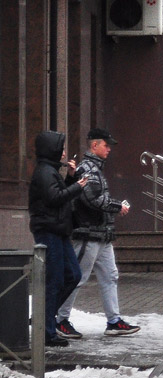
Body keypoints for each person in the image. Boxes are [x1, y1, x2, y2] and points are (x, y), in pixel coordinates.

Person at [56, 128, 139, 338]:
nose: (109, 149)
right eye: (106, 145)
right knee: (77, 277)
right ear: (95, 145)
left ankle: (114, 321)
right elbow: (91, 199)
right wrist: (117, 206)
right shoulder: (89, 169)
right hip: (89, 233)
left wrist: (113, 208)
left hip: (100, 234)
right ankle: (60, 319)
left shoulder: (93, 169)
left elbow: (93, 198)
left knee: (110, 276)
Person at [28, 130, 87, 348]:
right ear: (52, 149)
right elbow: (54, 198)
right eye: (61, 148)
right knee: (54, 281)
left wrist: (71, 178)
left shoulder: (51, 171)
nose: (64, 152)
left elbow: (57, 193)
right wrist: (77, 186)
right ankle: (46, 331)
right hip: (49, 231)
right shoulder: (44, 172)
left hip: (59, 231)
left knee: (73, 274)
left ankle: (44, 318)